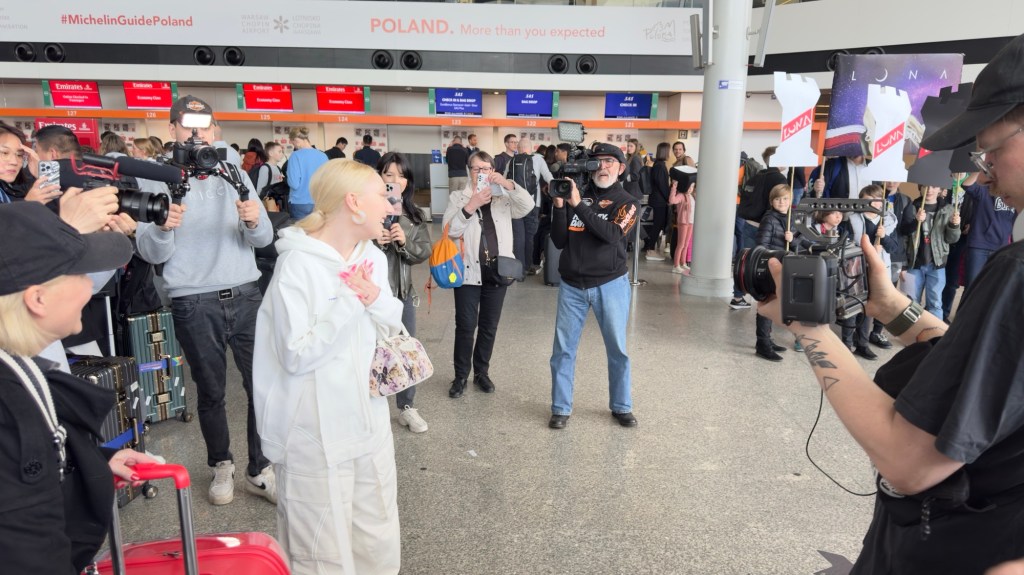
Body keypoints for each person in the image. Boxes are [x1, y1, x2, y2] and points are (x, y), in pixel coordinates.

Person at [757, 32, 1024, 574]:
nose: (982, 169)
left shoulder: (1017, 272)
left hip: (954, 546)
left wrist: (808, 326)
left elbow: (909, 460)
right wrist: (892, 306)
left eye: (991, 148)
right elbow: (988, 373)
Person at [254, 160, 403, 574]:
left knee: (376, 537)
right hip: (313, 434)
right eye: (382, 195)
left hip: (369, 421)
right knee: (320, 550)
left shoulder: (372, 256)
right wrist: (350, 303)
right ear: (353, 202)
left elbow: (392, 322)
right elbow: (296, 355)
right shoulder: (297, 266)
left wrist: (373, 298)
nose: (390, 206)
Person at [0, 201, 160, 573]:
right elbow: (29, 552)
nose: (90, 285)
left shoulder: (20, 366)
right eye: (80, 274)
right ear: (38, 298)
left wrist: (89, 463)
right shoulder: (10, 408)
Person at [135, 95, 276, 507]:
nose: (196, 133)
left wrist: (253, 220)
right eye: (187, 125)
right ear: (172, 129)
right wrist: (163, 228)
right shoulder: (155, 177)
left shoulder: (233, 169)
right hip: (193, 300)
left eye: (204, 126)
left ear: (215, 130)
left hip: (246, 293)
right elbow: (152, 253)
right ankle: (222, 464)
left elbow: (263, 238)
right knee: (211, 391)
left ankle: (259, 468)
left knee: (262, 386)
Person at [548, 143, 640, 430]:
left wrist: (578, 205)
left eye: (609, 161)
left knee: (617, 349)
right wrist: (560, 206)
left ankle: (622, 406)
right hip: (572, 286)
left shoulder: (628, 202)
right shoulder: (577, 194)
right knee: (563, 350)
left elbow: (611, 235)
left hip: (610, 284)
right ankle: (560, 408)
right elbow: (559, 241)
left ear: (621, 168)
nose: (602, 167)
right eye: (598, 161)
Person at [442, 151, 533, 399]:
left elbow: (527, 206)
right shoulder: (458, 197)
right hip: (467, 272)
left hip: (498, 271)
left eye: (486, 168)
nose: (481, 173)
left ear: (493, 170)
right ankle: (461, 375)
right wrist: (471, 205)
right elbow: (449, 231)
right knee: (465, 326)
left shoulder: (503, 197)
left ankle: (481, 372)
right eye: (476, 169)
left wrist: (508, 184)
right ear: (469, 171)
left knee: (489, 326)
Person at [375, 152, 432, 433]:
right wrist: (374, 239)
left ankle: (407, 407)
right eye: (389, 174)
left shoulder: (414, 215)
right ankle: (368, 407)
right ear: (379, 177)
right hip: (371, 294)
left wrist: (403, 242)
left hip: (401, 292)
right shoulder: (367, 211)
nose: (396, 180)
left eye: (401, 175)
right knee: (367, 350)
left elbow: (423, 252)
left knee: (405, 350)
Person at [838, 184, 900, 361]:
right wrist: (867, 250)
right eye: (867, 200)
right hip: (856, 270)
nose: (872, 204)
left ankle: (862, 344)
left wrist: (884, 237)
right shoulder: (853, 220)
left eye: (876, 200)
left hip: (877, 271)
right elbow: (845, 244)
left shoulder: (888, 222)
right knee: (852, 307)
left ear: (882, 202)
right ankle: (846, 344)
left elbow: (894, 248)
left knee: (868, 309)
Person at [905, 184, 961, 318]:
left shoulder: (948, 209)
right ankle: (912, 329)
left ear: (941, 189)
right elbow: (904, 232)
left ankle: (935, 331)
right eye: (925, 186)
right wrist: (915, 221)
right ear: (920, 188)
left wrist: (954, 226)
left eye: (934, 186)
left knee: (935, 303)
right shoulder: (911, 207)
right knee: (911, 302)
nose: (929, 190)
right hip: (913, 263)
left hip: (937, 264)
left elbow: (951, 239)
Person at [508, 137, 555, 275]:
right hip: (533, 204)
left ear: (518, 148)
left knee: (518, 237)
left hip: (515, 203)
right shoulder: (538, 159)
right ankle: (528, 266)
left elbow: (505, 180)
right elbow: (548, 177)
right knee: (530, 236)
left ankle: (519, 270)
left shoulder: (512, 161)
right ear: (530, 148)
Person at [286, 127, 329, 221]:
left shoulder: (295, 156)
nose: (294, 146)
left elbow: (294, 184)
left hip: (300, 202)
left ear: (296, 140)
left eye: (293, 143)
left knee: (300, 230)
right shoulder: (323, 156)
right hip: (319, 202)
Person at [643, 142, 672, 261]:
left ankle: (651, 249)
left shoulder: (658, 164)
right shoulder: (660, 165)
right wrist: (668, 198)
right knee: (657, 225)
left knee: (657, 225)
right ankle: (650, 250)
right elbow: (662, 185)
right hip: (659, 201)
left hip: (657, 199)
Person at [668, 165, 696, 273]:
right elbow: (672, 201)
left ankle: (683, 263)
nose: (691, 189)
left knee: (686, 244)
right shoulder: (681, 196)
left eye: (692, 187)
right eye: (689, 187)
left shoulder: (691, 197)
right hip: (683, 222)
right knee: (681, 244)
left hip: (690, 222)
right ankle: (676, 265)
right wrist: (674, 186)